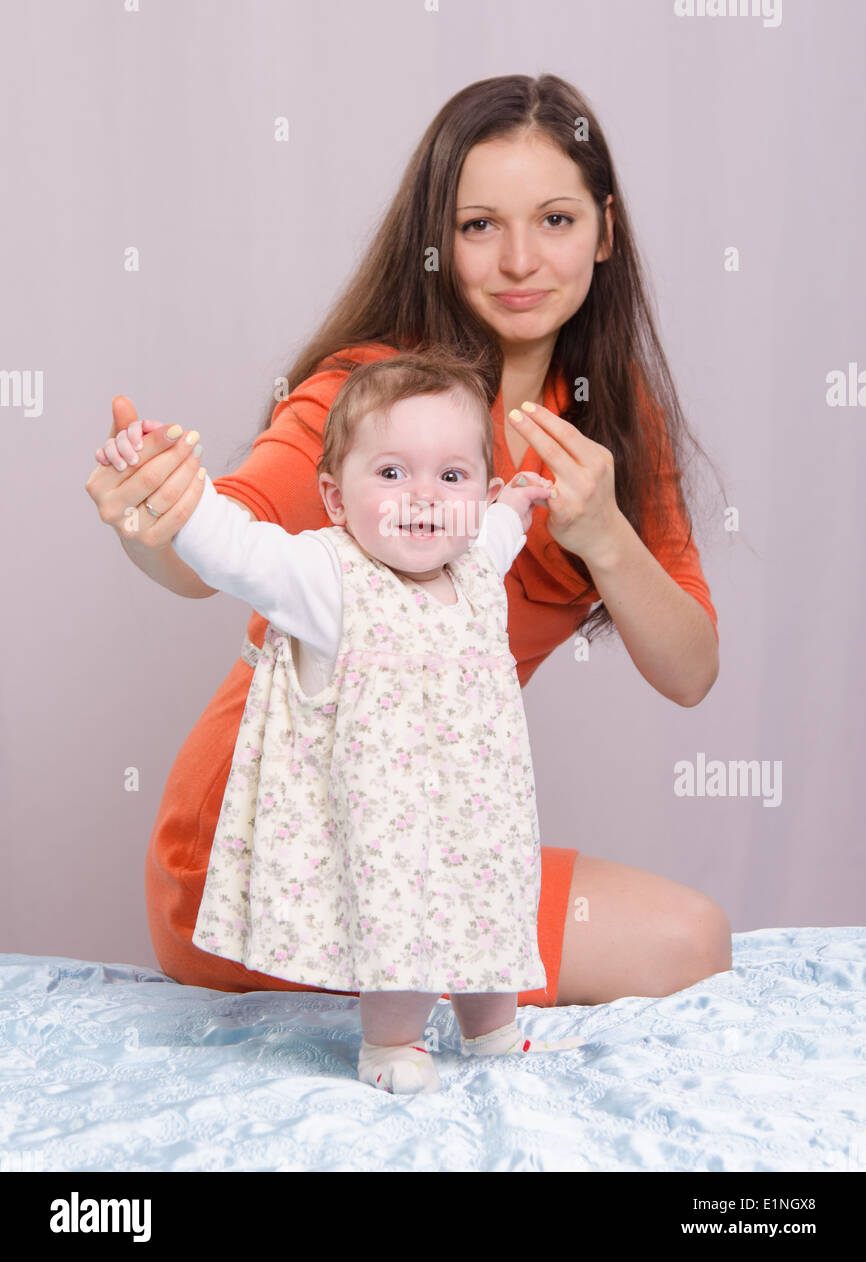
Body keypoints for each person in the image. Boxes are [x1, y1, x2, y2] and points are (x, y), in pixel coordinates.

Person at [85, 73, 731, 1062]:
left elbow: (688, 669)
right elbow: (225, 540)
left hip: (431, 832)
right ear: (437, 237)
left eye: (553, 219)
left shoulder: (608, 413)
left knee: (693, 939)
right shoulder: (373, 399)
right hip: (276, 843)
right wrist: (154, 513)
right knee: (674, 936)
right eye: (479, 226)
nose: (520, 260)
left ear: (603, 230)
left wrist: (603, 532)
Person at [131, 350, 586, 1094]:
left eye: (450, 477)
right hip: (387, 830)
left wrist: (520, 501)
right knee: (398, 926)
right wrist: (180, 494)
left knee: (492, 912)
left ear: (478, 493)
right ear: (335, 498)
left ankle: (492, 1029)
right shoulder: (330, 579)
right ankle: (392, 1042)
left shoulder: (474, 566)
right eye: (391, 473)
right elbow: (237, 552)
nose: (423, 497)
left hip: (480, 817)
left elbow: (500, 531)